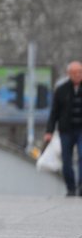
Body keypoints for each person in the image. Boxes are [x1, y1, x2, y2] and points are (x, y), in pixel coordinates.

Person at [44, 61, 82, 196]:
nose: (77, 75)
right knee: (66, 160)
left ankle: (81, 186)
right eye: (74, 73)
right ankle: (71, 188)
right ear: (68, 74)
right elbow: (54, 112)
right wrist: (49, 131)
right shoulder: (61, 90)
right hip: (66, 130)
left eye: (80, 72)